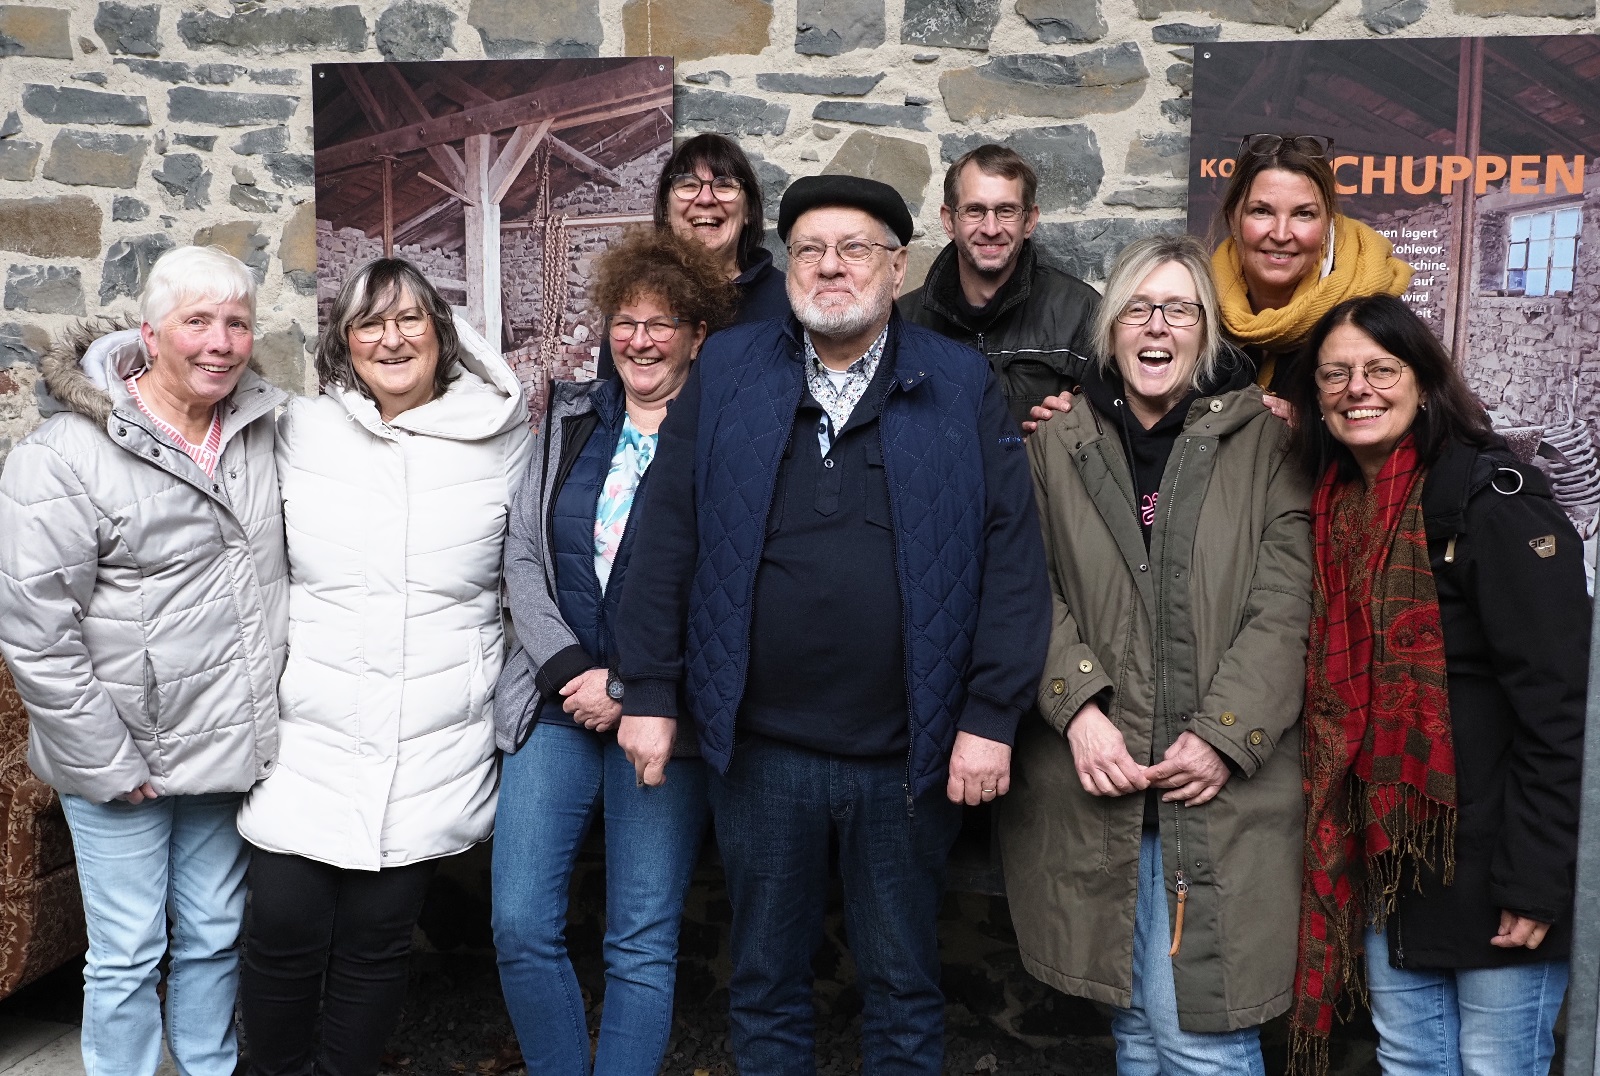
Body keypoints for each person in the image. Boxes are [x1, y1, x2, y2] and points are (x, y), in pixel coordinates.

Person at [613, 174, 1050, 1075]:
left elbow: (1013, 561)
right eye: (810, 248)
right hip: (762, 753)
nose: (830, 267)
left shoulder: (961, 382)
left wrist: (990, 717)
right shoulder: (730, 368)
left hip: (910, 755)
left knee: (901, 983)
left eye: (855, 249)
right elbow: (665, 533)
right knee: (766, 979)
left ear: (897, 267)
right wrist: (651, 689)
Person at [1000, 234, 1313, 1076]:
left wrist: (1223, 734)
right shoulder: (1056, 443)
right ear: (1110, 330)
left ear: (1205, 331)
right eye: (1139, 307)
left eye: (1179, 309)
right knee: (1137, 1033)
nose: (1157, 326)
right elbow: (1025, 587)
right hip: (1101, 781)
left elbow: (1287, 605)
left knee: (1204, 1041)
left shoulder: (1265, 444)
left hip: (1216, 791)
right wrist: (1079, 711)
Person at [236, 258, 531, 1076]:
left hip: (429, 734)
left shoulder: (501, 438)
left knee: (376, 941)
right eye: (370, 323)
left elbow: (535, 572)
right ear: (344, 342)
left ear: (443, 333)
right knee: (283, 930)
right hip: (310, 730)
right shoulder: (299, 430)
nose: (391, 338)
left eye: (410, 320)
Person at [1279, 294, 1588, 1076]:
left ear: (1423, 380)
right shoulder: (1333, 509)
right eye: (1336, 375)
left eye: (1382, 369)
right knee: (1411, 1063)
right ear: (1315, 397)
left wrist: (1538, 878)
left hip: (1497, 869)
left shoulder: (1492, 502)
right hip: (1395, 859)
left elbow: (1563, 709)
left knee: (1495, 1067)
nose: (1359, 389)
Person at [0, 245, 285, 1076]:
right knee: (126, 950)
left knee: (213, 938)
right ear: (149, 333)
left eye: (236, 323)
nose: (219, 342)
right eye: (197, 321)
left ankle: (207, 1068)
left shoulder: (262, 431)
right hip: (120, 754)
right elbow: (35, 628)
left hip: (226, 745)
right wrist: (105, 761)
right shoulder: (64, 453)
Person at [490, 229, 737, 1075]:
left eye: (661, 323)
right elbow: (521, 552)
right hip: (554, 706)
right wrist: (570, 674)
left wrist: (632, 688)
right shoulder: (566, 419)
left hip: (665, 719)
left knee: (640, 939)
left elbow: (723, 587)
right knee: (520, 923)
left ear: (697, 336)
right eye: (625, 320)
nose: (640, 338)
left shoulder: (724, 439)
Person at [899, 143, 1102, 426]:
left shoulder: (1082, 312)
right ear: (948, 221)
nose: (991, 228)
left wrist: (1080, 415)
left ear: (1029, 221)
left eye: (1006, 211)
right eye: (974, 210)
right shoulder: (903, 323)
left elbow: (1117, 424)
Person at [1210, 132, 1411, 392]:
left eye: (1303, 214)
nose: (1281, 234)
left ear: (1328, 225)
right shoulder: (1195, 307)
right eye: (1261, 211)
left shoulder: (1368, 312)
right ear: (1232, 221)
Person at [595, 133, 788, 379]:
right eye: (688, 185)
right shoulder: (633, 294)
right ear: (666, 209)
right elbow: (609, 399)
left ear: (748, 210)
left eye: (725, 185)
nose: (706, 199)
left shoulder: (785, 302)